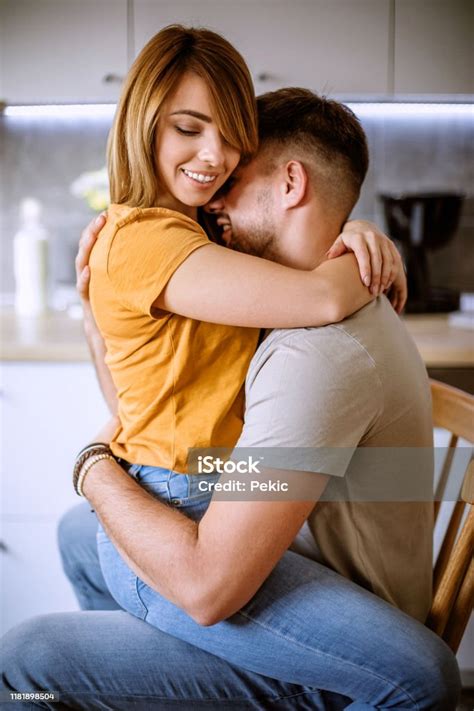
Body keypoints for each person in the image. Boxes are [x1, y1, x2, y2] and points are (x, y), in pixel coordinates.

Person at [0, 88, 460, 709]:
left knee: (24, 654)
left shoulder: (314, 354)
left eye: (234, 180)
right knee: (77, 535)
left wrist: (94, 469)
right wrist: (97, 315)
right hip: (289, 524)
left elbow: (209, 588)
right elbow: (164, 421)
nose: (211, 202)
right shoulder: (287, 300)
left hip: (329, 654)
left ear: (291, 183)